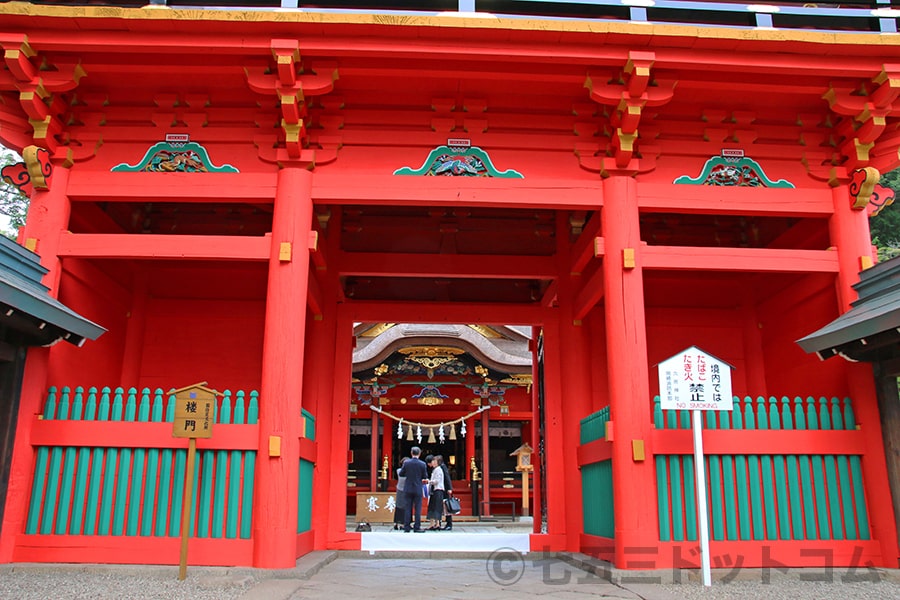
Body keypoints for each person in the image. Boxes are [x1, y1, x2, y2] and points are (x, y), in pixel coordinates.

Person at [398, 446, 428, 533]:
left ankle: (407, 526)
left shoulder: (407, 463)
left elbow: (401, 473)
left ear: (411, 453)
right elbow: (424, 476)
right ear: (419, 454)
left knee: (408, 508)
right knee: (417, 508)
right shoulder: (422, 464)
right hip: (418, 487)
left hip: (408, 487)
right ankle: (417, 526)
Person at [425, 455, 445, 530]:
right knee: (433, 507)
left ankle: (436, 523)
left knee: (436, 507)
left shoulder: (438, 470)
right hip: (434, 490)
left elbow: (437, 481)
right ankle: (434, 523)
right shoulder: (435, 470)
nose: (432, 463)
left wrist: (429, 481)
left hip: (438, 490)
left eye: (434, 461)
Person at [436, 454, 454, 530]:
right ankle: (438, 522)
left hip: (444, 489)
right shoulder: (438, 467)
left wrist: (449, 488)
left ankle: (449, 523)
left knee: (446, 506)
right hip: (441, 488)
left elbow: (447, 477)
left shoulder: (443, 467)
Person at [392, 457, 408, 530]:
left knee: (405, 506)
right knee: (399, 506)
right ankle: (398, 522)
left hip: (406, 490)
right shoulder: (399, 471)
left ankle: (403, 523)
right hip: (401, 489)